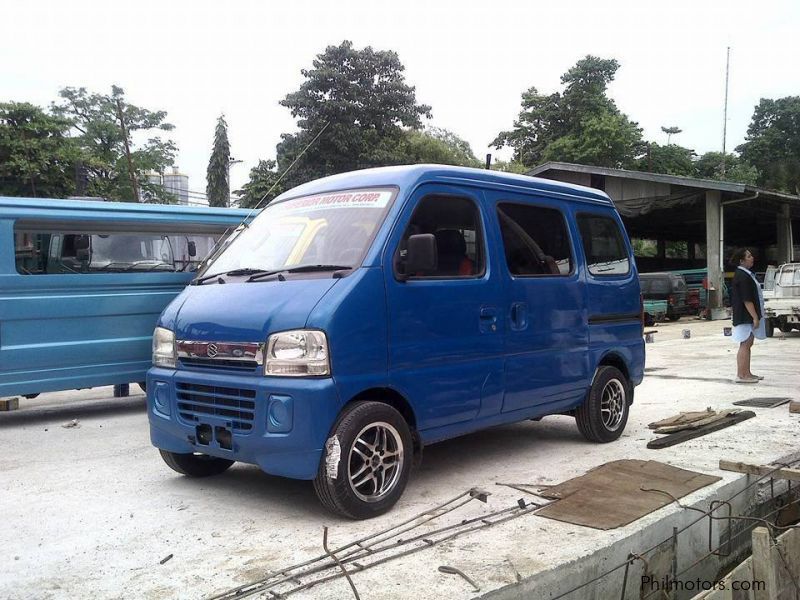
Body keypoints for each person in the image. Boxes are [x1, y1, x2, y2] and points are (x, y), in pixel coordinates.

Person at [729, 248, 765, 383]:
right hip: (745, 315)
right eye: (749, 256)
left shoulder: (747, 274)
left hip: (747, 314)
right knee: (745, 343)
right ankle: (741, 375)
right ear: (741, 260)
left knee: (748, 343)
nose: (752, 258)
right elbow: (747, 299)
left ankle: (747, 372)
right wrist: (755, 317)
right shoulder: (742, 276)